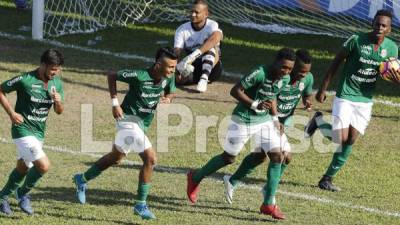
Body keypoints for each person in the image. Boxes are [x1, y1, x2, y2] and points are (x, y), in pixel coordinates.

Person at [186, 48, 296, 220]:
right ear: (275, 62)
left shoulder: (286, 78)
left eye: (289, 69)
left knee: (278, 156)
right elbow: (235, 90)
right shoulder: (259, 72)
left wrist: (275, 118)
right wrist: (254, 105)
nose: (286, 72)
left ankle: (268, 204)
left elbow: (272, 95)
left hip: (265, 120)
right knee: (228, 158)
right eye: (283, 67)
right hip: (244, 118)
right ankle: (195, 177)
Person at [73, 47, 178, 220]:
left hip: (143, 124)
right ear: (158, 65)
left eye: (174, 67)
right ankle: (140, 205)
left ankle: (81, 179)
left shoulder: (169, 77)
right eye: (170, 67)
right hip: (127, 120)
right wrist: (115, 103)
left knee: (116, 157)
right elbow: (112, 75)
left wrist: (168, 99)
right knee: (150, 159)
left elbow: (171, 92)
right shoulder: (139, 76)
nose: (173, 71)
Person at [305, 9, 400, 192]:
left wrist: (396, 79)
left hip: (365, 99)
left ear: (389, 29)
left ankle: (327, 179)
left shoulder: (392, 48)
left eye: (384, 25)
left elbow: (391, 71)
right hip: (346, 94)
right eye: (377, 23)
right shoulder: (356, 40)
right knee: (341, 137)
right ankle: (318, 122)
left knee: (350, 140)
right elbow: (336, 62)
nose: (379, 28)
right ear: (372, 23)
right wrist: (323, 88)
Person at [222, 49, 314, 209]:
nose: (303, 75)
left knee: (273, 157)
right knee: (276, 156)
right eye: (299, 71)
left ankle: (238, 182)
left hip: (283, 120)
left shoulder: (306, 79)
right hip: (266, 120)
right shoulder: (279, 79)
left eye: (306, 72)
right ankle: (266, 195)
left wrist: (307, 101)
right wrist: (274, 119)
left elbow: (306, 94)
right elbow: (269, 98)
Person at [0, 49, 65, 215]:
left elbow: (59, 111)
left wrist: (58, 103)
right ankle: (22, 194)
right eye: (52, 69)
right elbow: (1, 90)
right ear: (43, 65)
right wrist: (11, 113)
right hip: (22, 130)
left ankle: (2, 197)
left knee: (23, 168)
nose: (55, 73)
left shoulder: (56, 84)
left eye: (58, 69)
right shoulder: (25, 80)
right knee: (43, 165)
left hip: (39, 133)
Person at [174, 0, 223, 93]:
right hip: (193, 68)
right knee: (177, 80)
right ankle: (197, 79)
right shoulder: (181, 30)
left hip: (213, 69)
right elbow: (177, 52)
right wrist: (178, 70)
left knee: (210, 46)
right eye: (191, 11)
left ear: (206, 14)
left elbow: (217, 37)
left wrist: (192, 56)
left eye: (196, 12)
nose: (193, 14)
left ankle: (204, 78)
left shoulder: (212, 25)